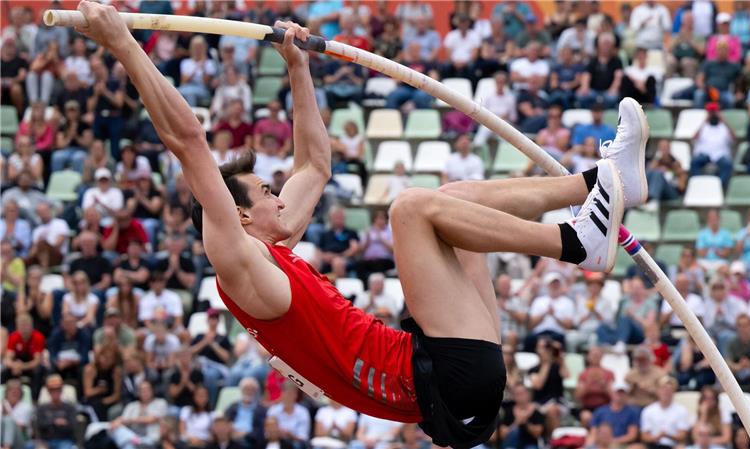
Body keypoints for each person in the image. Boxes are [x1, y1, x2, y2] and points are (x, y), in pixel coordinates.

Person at [76, 4, 648, 448]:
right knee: (409, 208)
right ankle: (575, 243)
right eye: (268, 193)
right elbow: (188, 142)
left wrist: (298, 69)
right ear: (241, 215)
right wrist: (125, 45)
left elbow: (315, 166)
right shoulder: (240, 261)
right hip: (442, 379)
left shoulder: (271, 251)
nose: (281, 196)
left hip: (454, 370)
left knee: (450, 201)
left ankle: (598, 181)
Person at [109, 380, 168, 449]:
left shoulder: (161, 403)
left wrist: (129, 420)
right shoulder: (132, 405)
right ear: (138, 393)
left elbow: (151, 419)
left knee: (128, 444)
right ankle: (135, 440)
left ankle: (136, 441)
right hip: (132, 436)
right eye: (142, 390)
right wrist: (116, 422)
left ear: (152, 390)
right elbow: (122, 419)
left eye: (147, 389)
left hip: (150, 438)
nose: (145, 392)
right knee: (116, 429)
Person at [690, 103, 735, 187]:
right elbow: (693, 138)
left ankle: (718, 187)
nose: (712, 115)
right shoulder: (703, 126)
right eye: (710, 112)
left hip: (720, 155)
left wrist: (724, 121)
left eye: (714, 112)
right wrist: (704, 121)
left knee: (728, 164)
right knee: (694, 162)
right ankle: (698, 186)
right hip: (705, 154)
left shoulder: (724, 126)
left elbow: (733, 138)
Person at [640, 376, 693, 448]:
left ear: (674, 392)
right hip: (653, 445)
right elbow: (644, 436)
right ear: (658, 391)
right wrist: (656, 438)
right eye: (663, 389)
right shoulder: (648, 410)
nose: (666, 392)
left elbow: (683, 435)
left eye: (669, 389)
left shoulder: (681, 410)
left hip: (673, 445)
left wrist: (668, 435)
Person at [2, 314, 45, 399]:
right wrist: (14, 366)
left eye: (26, 325)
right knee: (4, 373)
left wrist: (22, 367)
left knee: (38, 372)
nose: (24, 328)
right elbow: (7, 359)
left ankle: (34, 399)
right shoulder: (14, 336)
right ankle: (3, 399)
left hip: (31, 366)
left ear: (32, 326)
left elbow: (37, 361)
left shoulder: (38, 337)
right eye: (21, 325)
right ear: (17, 326)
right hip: (18, 365)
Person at [587, 382, 641, 448]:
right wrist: (589, 445)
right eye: (617, 392)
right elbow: (593, 432)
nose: (620, 395)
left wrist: (613, 441)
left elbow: (631, 435)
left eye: (622, 393)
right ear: (612, 393)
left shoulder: (632, 412)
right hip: (600, 444)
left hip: (620, 444)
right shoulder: (600, 411)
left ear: (627, 395)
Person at [31, 375, 78, 449]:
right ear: (48, 391)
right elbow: (39, 425)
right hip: (45, 440)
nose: (55, 392)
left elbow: (73, 426)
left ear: (61, 390)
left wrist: (49, 423)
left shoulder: (70, 408)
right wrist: (54, 422)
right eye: (52, 390)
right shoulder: (42, 408)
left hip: (64, 440)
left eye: (58, 389)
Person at [224, 377, 268, 449]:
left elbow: (261, 430)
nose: (249, 392)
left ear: (256, 392)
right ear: (241, 390)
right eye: (246, 389)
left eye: (252, 390)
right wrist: (230, 430)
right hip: (232, 438)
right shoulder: (232, 407)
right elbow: (225, 421)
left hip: (250, 441)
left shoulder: (261, 410)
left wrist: (245, 434)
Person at [497, 383, 544, 449]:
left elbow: (538, 433)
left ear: (528, 394)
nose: (521, 397)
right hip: (511, 445)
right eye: (518, 394)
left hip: (529, 445)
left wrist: (526, 423)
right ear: (513, 396)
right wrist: (516, 423)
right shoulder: (508, 412)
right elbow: (501, 434)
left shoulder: (536, 411)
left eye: (522, 393)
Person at [267, 383, 311, 449]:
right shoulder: (273, 410)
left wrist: (290, 435)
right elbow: (267, 433)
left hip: (294, 444)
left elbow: (303, 438)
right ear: (282, 394)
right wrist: (277, 433)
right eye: (286, 393)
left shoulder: (303, 412)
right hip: (276, 441)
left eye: (290, 394)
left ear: (296, 395)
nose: (288, 396)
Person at [0, 378, 33, 449]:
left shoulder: (26, 407)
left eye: (17, 391)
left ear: (21, 393)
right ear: (6, 392)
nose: (14, 393)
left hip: (21, 440)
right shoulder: (1, 405)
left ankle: (6, 447)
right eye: (11, 390)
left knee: (8, 420)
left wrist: (7, 414)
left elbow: (21, 428)